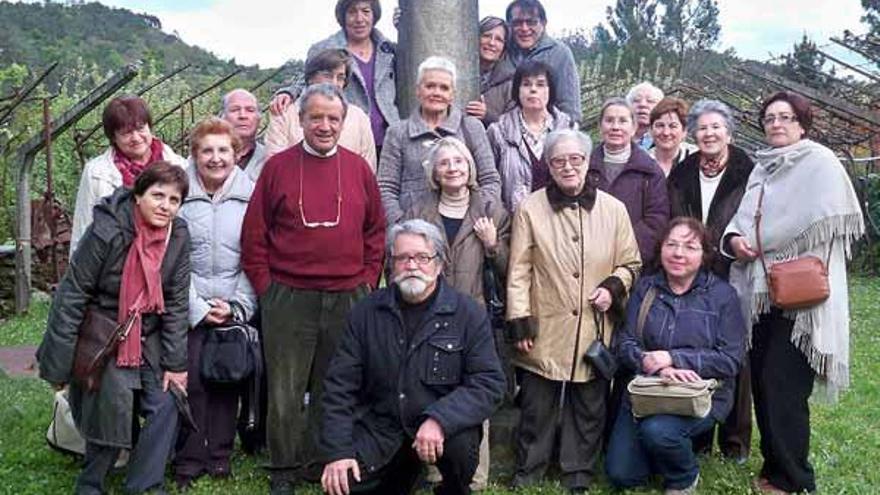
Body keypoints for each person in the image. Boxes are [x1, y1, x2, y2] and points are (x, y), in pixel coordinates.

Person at [241, 83, 386, 494]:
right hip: (288, 294)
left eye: (333, 118)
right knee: (285, 387)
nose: (325, 126)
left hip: (348, 295)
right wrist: (266, 287)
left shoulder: (358, 169)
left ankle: (325, 460)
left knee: (335, 383)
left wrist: (367, 279)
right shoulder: (277, 167)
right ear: (300, 120)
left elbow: (376, 231)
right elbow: (255, 235)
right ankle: (284, 467)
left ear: (344, 123)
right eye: (316, 117)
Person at [722, 91, 864, 494]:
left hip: (803, 296)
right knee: (765, 383)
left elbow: (822, 219)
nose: (776, 124)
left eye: (785, 117)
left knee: (783, 384)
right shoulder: (763, 168)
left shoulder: (820, 163)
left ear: (802, 123)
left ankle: (795, 479)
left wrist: (761, 242)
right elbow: (742, 218)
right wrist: (735, 240)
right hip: (763, 290)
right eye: (769, 118)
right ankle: (774, 468)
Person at [320, 219, 506, 495]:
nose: (412, 265)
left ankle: (453, 487)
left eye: (422, 257)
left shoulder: (468, 314)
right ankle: (401, 478)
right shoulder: (365, 313)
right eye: (402, 258)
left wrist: (440, 419)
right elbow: (339, 387)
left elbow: (488, 383)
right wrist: (339, 452)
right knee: (342, 485)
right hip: (381, 429)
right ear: (391, 265)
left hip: (444, 433)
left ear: (440, 264)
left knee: (460, 445)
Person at [37, 162, 191, 494]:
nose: (165, 206)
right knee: (113, 402)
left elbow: (177, 302)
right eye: (158, 195)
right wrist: (59, 364)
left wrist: (176, 365)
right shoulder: (107, 229)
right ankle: (91, 483)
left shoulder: (178, 236)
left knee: (166, 402)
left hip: (147, 333)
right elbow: (73, 293)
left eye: (174, 199)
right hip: (104, 332)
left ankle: (145, 485)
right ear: (138, 195)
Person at [506, 129, 641, 492]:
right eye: (558, 160)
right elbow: (518, 269)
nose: (568, 166)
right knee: (537, 405)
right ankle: (529, 468)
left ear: (587, 162)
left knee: (589, 406)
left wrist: (613, 288)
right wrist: (520, 322)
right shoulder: (530, 208)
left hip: (594, 328)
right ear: (549, 166)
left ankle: (577, 472)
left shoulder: (614, 210)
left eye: (575, 159)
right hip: (544, 323)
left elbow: (631, 262)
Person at [606, 217, 747, 495]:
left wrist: (674, 359)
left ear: (704, 254)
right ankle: (661, 448)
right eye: (671, 244)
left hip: (701, 394)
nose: (678, 253)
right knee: (622, 474)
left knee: (659, 431)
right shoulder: (646, 288)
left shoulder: (722, 296)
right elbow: (625, 342)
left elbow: (731, 359)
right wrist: (650, 363)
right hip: (648, 390)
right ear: (661, 250)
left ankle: (684, 476)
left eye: (690, 247)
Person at [403, 137, 511, 491]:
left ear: (470, 167)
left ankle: (474, 474)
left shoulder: (491, 209)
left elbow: (512, 267)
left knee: (473, 390)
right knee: (428, 385)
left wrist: (493, 244)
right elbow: (404, 256)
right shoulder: (418, 208)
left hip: (473, 316)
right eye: (444, 163)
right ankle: (432, 468)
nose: (453, 168)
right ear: (434, 172)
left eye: (459, 161)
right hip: (424, 314)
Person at [667, 99, 755, 462]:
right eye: (702, 128)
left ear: (728, 132)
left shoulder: (748, 169)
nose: (709, 133)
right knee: (698, 344)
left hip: (735, 270)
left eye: (716, 127)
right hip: (695, 271)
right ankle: (700, 432)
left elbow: (754, 215)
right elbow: (676, 216)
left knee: (736, 351)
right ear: (694, 134)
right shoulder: (683, 171)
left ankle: (734, 439)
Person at [172, 118, 257, 488]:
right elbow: (171, 258)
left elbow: (255, 256)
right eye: (207, 150)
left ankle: (220, 454)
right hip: (187, 303)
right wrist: (197, 308)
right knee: (190, 381)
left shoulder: (251, 195)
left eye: (224, 150)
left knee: (226, 379)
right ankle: (189, 457)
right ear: (194, 154)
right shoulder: (179, 194)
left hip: (230, 300)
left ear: (236, 154)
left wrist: (237, 305)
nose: (216, 158)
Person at [377, 56, 501, 224]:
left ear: (452, 94)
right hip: (413, 233)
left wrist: (475, 219)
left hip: (465, 230)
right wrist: (402, 227)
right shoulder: (397, 133)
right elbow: (385, 188)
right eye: (430, 86)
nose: (436, 93)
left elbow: (490, 180)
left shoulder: (472, 128)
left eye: (444, 88)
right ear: (418, 90)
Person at [270, 0, 398, 153]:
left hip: (389, 139)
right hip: (348, 138)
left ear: (374, 15)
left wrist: (404, 29)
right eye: (352, 12)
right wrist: (289, 92)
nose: (359, 18)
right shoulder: (324, 48)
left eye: (366, 11)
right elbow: (306, 78)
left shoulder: (389, 49)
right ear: (342, 16)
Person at [70, 95, 187, 254]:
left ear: (149, 127)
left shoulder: (179, 165)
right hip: (114, 264)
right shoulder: (97, 172)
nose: (136, 138)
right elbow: (83, 227)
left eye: (140, 128)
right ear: (113, 137)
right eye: (126, 133)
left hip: (166, 260)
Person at [589, 97, 669, 268]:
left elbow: (656, 220)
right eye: (609, 120)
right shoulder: (584, 166)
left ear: (634, 128)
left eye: (623, 121)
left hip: (631, 263)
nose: (615, 127)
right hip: (586, 259)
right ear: (600, 126)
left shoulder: (650, 171)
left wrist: (624, 252)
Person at [265, 49, 377, 170]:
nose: (334, 83)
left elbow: (367, 167)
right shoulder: (284, 113)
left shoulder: (359, 117)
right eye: (328, 76)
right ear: (310, 78)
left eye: (340, 77)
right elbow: (275, 165)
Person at [487, 60, 575, 211]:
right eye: (526, 84)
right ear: (517, 90)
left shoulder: (567, 130)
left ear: (550, 90)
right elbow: (489, 182)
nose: (533, 90)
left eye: (540, 84)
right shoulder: (498, 132)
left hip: (560, 221)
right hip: (514, 223)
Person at [504, 0, 581, 123]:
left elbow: (570, 107)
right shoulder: (502, 50)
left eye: (531, 22)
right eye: (517, 23)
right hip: (503, 132)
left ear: (544, 23)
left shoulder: (559, 53)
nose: (524, 28)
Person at [465, 16, 516, 126]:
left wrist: (487, 116)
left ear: (504, 47)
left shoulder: (511, 84)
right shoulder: (460, 74)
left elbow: (514, 127)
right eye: (486, 36)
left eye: (499, 39)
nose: (492, 43)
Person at [221, 88, 267, 181]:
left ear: (259, 119)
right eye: (234, 110)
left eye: (250, 110)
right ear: (223, 117)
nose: (242, 115)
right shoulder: (204, 157)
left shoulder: (270, 159)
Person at [648, 97, 697, 177]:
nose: (666, 132)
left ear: (684, 131)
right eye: (660, 125)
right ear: (650, 130)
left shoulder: (699, 160)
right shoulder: (639, 163)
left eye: (673, 126)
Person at [627, 82, 664, 150]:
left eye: (650, 101)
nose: (642, 105)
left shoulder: (668, 142)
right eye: (636, 100)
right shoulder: (616, 139)